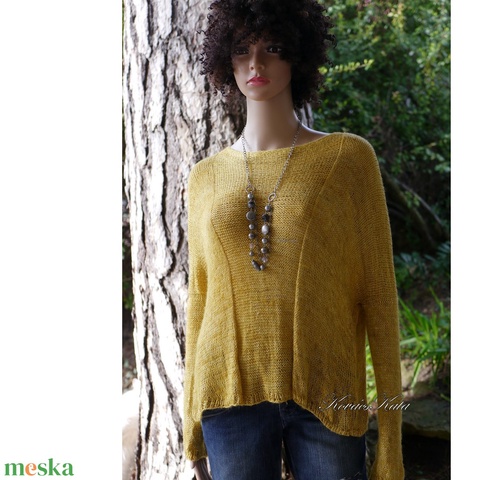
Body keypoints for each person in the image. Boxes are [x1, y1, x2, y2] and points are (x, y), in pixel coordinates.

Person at [183, 0, 405, 479]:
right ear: (225, 61)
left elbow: (379, 298)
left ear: (298, 56)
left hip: (328, 393)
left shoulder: (347, 160)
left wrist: (390, 442)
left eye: (272, 48)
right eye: (241, 50)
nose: (255, 63)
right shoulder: (204, 178)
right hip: (228, 400)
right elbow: (199, 301)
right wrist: (190, 425)